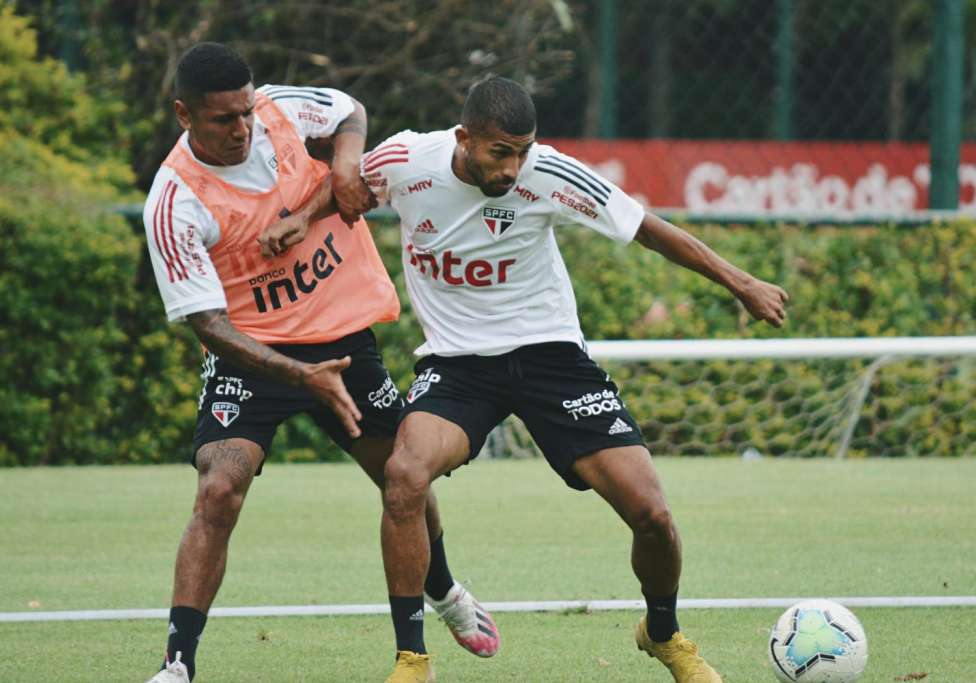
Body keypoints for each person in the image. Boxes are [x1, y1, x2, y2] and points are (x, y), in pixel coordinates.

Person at [264, 76, 788, 683]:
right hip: (458, 365)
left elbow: (643, 226)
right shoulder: (408, 159)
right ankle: (412, 659)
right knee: (404, 477)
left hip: (551, 360)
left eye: (523, 151)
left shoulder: (549, 172)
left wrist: (740, 282)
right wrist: (301, 218)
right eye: (500, 152)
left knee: (653, 515)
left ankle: (663, 633)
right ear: (464, 139)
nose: (514, 167)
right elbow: (346, 187)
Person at [142, 43, 499, 683]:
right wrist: (300, 376)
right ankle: (177, 664)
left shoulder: (279, 111)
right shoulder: (173, 202)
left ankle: (444, 592)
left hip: (341, 335)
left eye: (245, 111)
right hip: (250, 352)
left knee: (403, 475)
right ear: (183, 114)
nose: (243, 128)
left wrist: (344, 166)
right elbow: (209, 325)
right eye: (223, 119)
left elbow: (350, 112)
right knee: (218, 489)